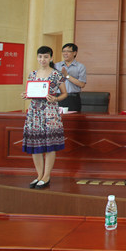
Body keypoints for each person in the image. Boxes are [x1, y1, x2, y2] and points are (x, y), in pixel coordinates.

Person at [21, 46, 68, 189]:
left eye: (46, 57)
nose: (43, 59)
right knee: (35, 144)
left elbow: (64, 93)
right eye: (40, 57)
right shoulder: (32, 74)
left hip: (50, 112)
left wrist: (56, 99)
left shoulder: (56, 74)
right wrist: (26, 95)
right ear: (37, 58)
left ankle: (47, 176)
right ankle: (39, 175)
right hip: (34, 112)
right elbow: (30, 91)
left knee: (49, 144)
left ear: (51, 58)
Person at [54, 43, 87, 112]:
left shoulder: (80, 67)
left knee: (73, 118)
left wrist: (67, 76)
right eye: (63, 51)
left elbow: (82, 84)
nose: (65, 53)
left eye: (68, 51)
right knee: (57, 117)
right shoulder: (56, 66)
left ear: (74, 53)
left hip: (73, 98)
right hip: (58, 97)